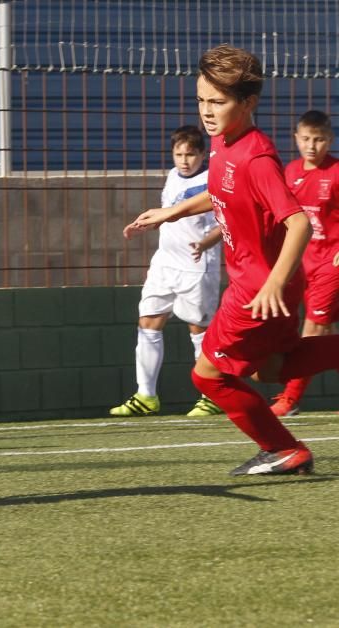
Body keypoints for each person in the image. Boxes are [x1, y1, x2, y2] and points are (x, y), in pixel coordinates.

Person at [124, 44, 339, 476]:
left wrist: (274, 283)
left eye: (217, 102)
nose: (206, 110)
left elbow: (297, 224)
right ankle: (283, 447)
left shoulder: (257, 158)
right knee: (271, 369)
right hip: (264, 282)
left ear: (249, 103)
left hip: (257, 288)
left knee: (207, 377)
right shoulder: (224, 140)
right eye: (201, 100)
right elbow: (224, 191)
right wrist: (174, 210)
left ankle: (282, 448)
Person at [111, 125, 224, 418]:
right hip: (164, 265)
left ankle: (211, 396)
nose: (184, 160)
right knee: (148, 323)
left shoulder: (212, 182)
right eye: (179, 154)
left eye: (191, 154)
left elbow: (225, 223)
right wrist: (145, 227)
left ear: (202, 154)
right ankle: (146, 396)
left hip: (197, 267)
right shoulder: (173, 176)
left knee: (199, 332)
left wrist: (204, 243)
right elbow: (169, 213)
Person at [267, 110, 339, 417]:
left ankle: (290, 398)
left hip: (332, 264)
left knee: (312, 327)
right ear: (296, 139)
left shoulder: (336, 172)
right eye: (306, 139)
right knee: (325, 331)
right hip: (303, 264)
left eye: (319, 139)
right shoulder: (290, 171)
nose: (312, 145)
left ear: (330, 140)